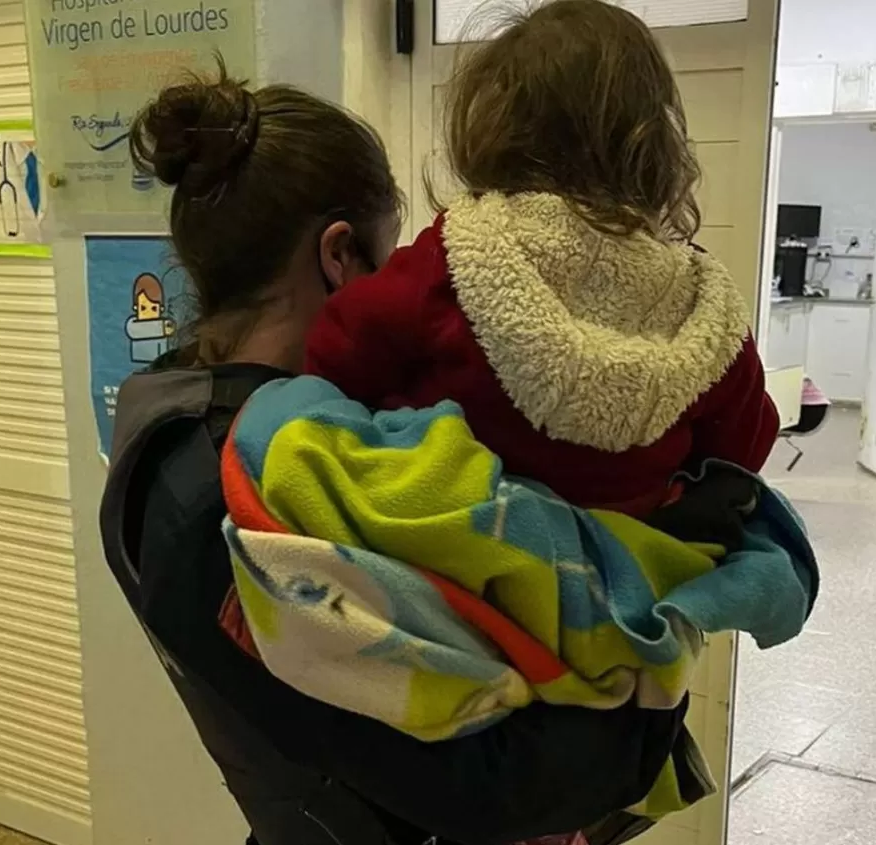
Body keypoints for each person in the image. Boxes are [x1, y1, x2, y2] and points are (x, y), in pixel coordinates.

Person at [98, 63, 688, 845]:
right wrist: (656, 673)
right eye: (393, 263)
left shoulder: (168, 414)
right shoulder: (235, 491)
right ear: (340, 255)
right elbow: (490, 784)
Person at [305, 0, 779, 519]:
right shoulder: (699, 302)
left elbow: (332, 353)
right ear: (657, 144)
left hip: (463, 541)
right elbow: (746, 445)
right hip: (631, 551)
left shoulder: (459, 255)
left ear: (489, 130)